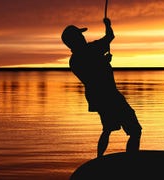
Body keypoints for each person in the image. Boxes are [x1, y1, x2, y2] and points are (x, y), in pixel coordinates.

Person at [61, 18, 142, 157]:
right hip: (110, 95)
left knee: (107, 129)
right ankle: (131, 162)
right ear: (75, 39)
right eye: (80, 35)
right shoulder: (91, 49)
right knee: (135, 130)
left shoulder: (73, 61)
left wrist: (103, 61)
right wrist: (108, 25)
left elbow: (91, 72)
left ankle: (99, 159)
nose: (83, 36)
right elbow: (110, 37)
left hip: (96, 98)